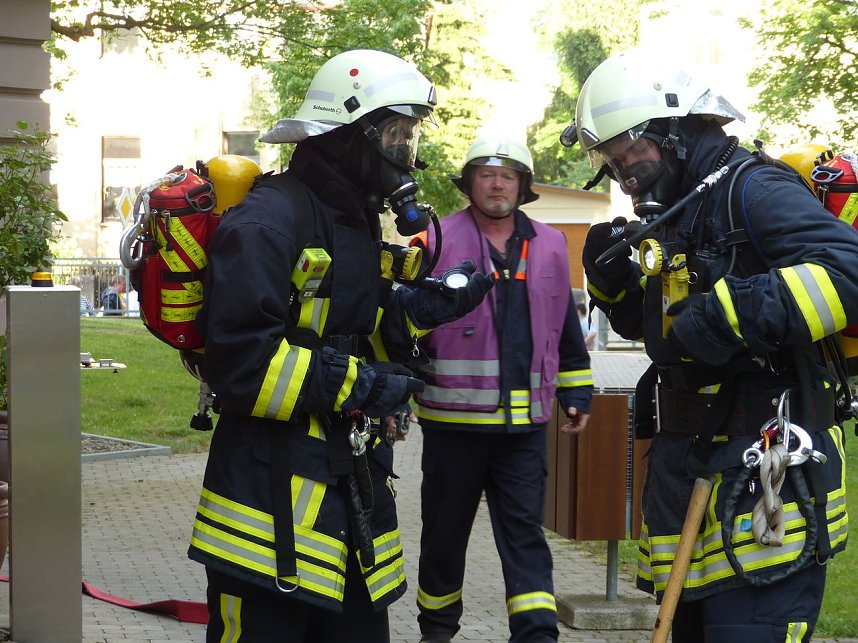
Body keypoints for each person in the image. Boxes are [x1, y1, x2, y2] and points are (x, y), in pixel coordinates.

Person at [187, 49, 494, 643]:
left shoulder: (351, 222)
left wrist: (416, 313)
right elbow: (243, 366)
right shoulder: (266, 223)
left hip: (347, 507)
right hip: (264, 519)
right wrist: (364, 385)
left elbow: (347, 327)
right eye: (393, 135)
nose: (404, 153)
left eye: (409, 135)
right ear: (347, 136)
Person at [569, 50, 856, 642]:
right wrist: (615, 289)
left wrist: (731, 314)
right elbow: (672, 337)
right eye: (611, 159)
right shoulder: (681, 210)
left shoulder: (752, 188)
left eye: (631, 151)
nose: (624, 173)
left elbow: (850, 274)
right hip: (689, 472)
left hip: (768, 477)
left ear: (675, 132)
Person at [411, 136, 593, 643]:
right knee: (444, 539)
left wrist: (576, 391)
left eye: (508, 175)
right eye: (487, 174)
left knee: (525, 538)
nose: (497, 184)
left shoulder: (553, 244)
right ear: (470, 182)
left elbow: (565, 325)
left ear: (522, 185)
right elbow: (404, 325)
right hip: (453, 427)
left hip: (524, 431)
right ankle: (437, 632)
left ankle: (536, 636)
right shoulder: (434, 239)